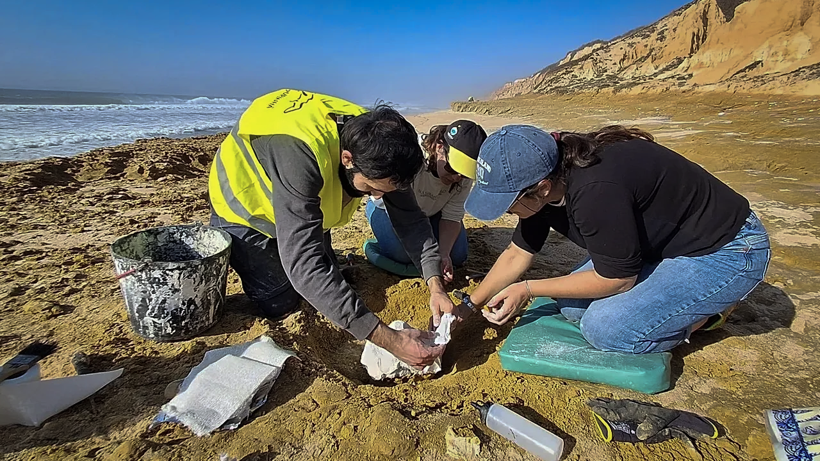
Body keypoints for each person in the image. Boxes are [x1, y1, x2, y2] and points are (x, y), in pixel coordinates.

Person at [454, 124, 770, 354]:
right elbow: (516, 253)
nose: (508, 212)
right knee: (572, 307)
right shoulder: (550, 172)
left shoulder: (595, 192)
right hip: (664, 244)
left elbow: (618, 280)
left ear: (542, 188)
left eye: (508, 204)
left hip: (728, 250)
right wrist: (469, 306)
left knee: (605, 330)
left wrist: (527, 289)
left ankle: (707, 314)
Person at [208, 89, 454, 367]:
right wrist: (392, 341)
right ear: (348, 159)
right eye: (371, 189)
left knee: (328, 282)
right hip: (246, 208)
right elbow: (304, 265)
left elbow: (410, 219)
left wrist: (435, 284)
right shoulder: (301, 156)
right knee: (282, 300)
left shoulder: (382, 144)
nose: (377, 197)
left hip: (304, 201)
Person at [364, 120, 486, 285]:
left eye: (464, 173)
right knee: (405, 255)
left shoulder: (462, 177)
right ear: (439, 147)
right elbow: (397, 208)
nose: (457, 177)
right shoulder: (412, 155)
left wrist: (444, 254)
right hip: (388, 209)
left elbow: (451, 217)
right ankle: (373, 246)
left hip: (431, 213)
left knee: (456, 256)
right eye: (452, 168)